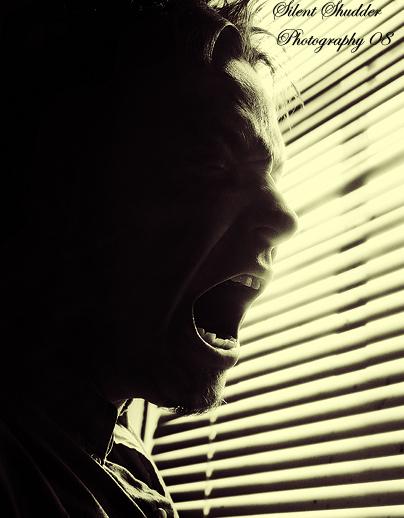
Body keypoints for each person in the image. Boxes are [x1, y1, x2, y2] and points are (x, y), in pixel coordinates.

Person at [0, 0, 298, 516]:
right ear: (57, 185)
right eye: (212, 160)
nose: (286, 218)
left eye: (272, 176)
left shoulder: (132, 468)